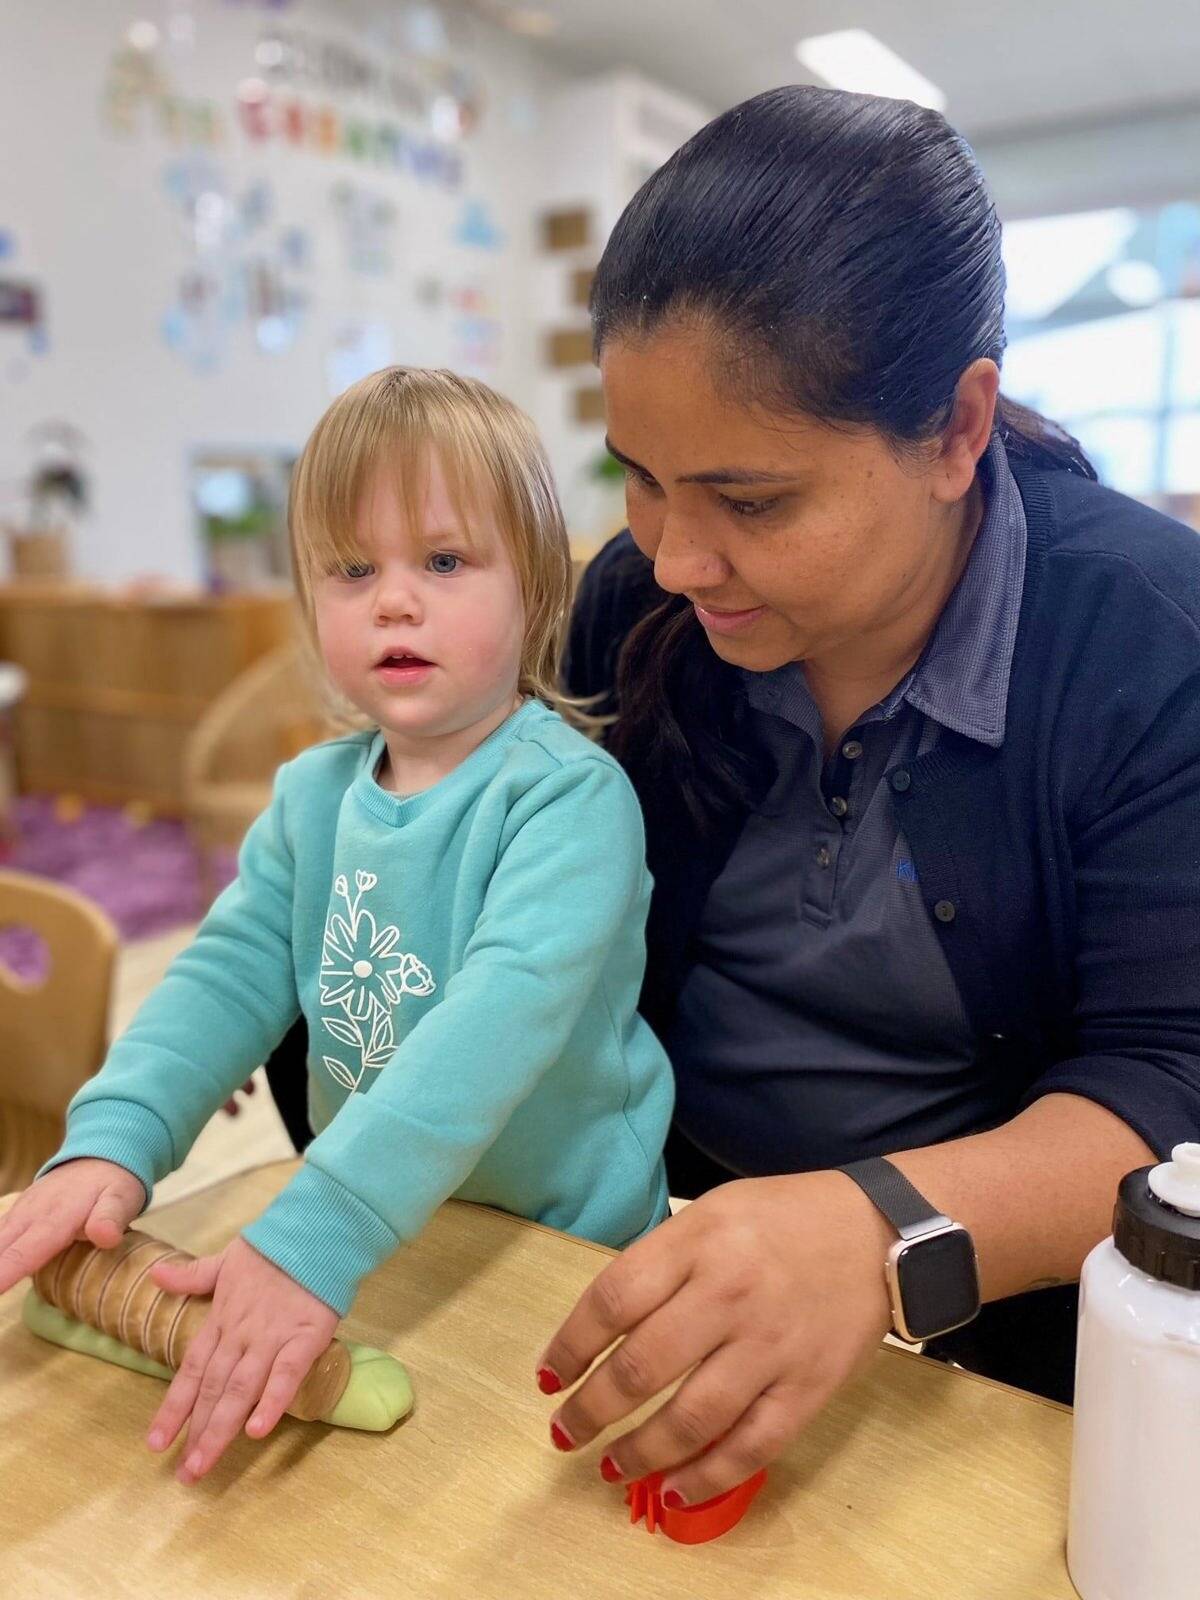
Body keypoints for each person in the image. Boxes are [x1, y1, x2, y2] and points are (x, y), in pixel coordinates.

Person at [525, 84, 1200, 1513]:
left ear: (958, 430)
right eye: (637, 479)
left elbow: (1169, 1085)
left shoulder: (1144, 640)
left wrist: (875, 1231)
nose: (677, 556)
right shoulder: (637, 613)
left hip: (987, 1323)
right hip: (638, 1230)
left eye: (752, 502)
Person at [0, 368, 674, 1484]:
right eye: (352, 569)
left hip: (565, 1252)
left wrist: (319, 1230)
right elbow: (223, 976)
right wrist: (114, 1138)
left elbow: (492, 1025)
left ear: (538, 587)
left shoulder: (569, 801)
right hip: (387, 1239)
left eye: (444, 562)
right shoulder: (312, 798)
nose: (393, 601)